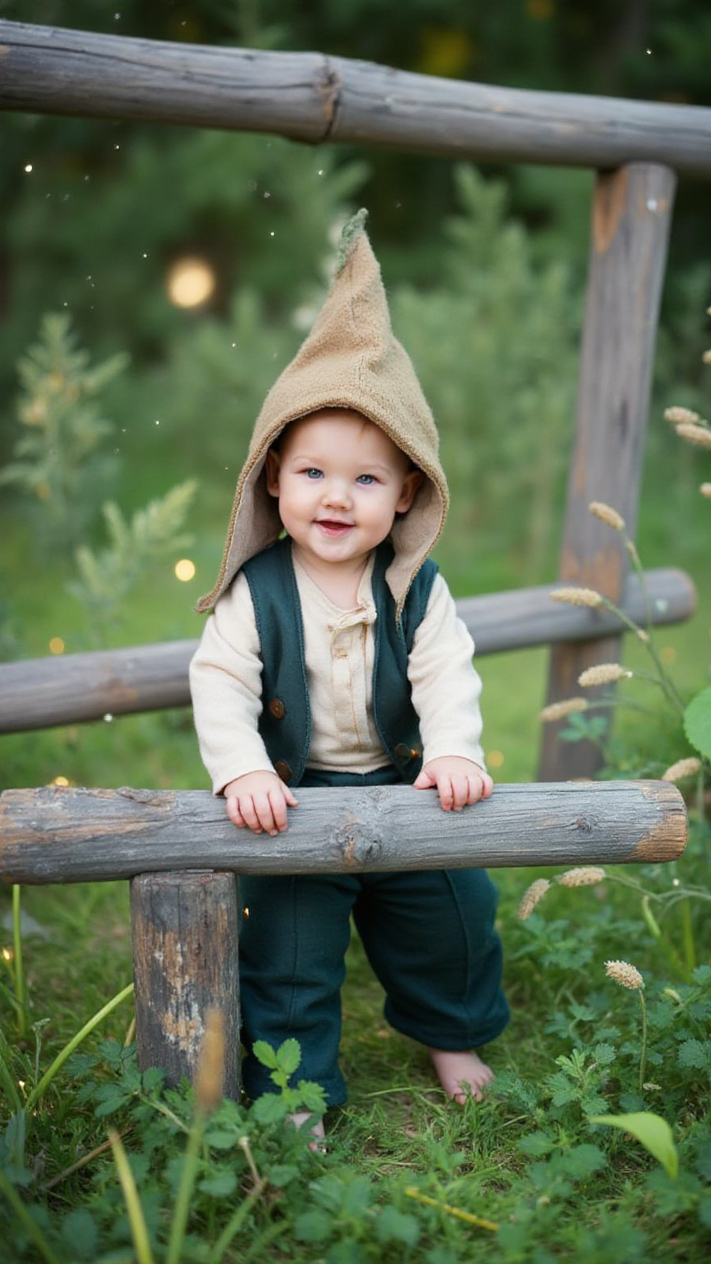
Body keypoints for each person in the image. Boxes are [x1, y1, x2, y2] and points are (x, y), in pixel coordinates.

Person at [189, 211, 509, 1141]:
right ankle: (297, 1088)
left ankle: (453, 1037)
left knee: (454, 911)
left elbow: (448, 674)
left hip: (405, 785)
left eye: (368, 480)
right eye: (314, 473)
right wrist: (243, 771)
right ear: (273, 478)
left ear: (407, 492)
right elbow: (220, 683)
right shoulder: (256, 592)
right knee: (288, 946)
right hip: (290, 797)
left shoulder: (416, 589)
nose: (337, 497)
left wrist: (454, 751)